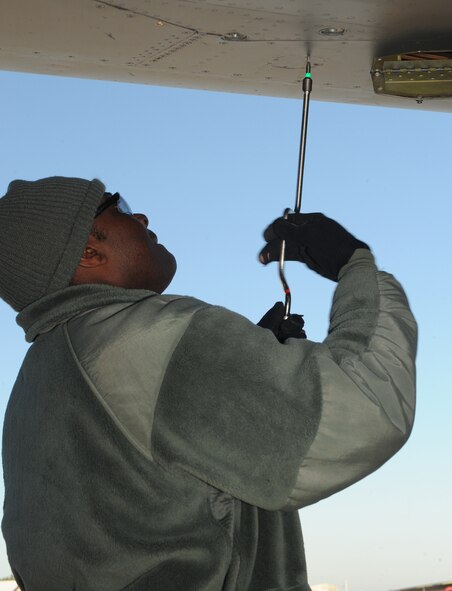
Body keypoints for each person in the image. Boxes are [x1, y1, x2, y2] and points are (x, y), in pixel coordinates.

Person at [0, 176, 417, 591]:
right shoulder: (150, 337)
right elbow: (365, 405)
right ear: (89, 251)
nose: (141, 216)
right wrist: (354, 264)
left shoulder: (34, 386)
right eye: (120, 207)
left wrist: (248, 373)